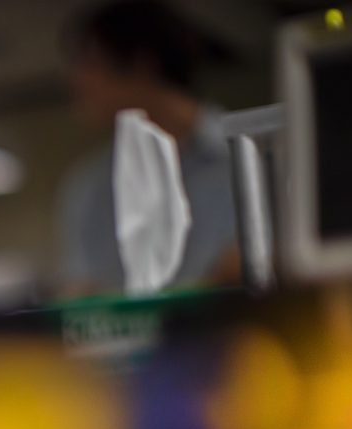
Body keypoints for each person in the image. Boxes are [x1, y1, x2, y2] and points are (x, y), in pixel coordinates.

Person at [57, 0, 239, 298]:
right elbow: (82, 294)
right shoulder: (89, 189)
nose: (76, 81)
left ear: (143, 63)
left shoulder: (254, 156)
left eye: (88, 63)